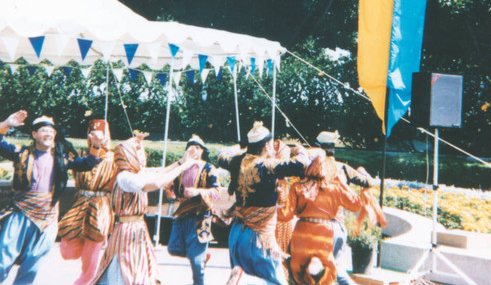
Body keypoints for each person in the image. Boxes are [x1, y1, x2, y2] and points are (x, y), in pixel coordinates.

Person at [0, 110, 103, 284]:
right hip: (21, 212)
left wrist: (96, 145)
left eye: (51, 131)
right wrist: (7, 123)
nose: (48, 133)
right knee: (3, 258)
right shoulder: (22, 153)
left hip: (48, 217)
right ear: (34, 134)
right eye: (42, 130)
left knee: (32, 264)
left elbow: (86, 164)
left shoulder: (62, 157)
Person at [218, 121, 323, 285]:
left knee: (246, 271)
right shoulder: (266, 165)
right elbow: (301, 164)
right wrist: (301, 150)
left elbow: (221, 154)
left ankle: (240, 277)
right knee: (277, 281)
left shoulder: (236, 162)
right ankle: (242, 278)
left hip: (237, 233)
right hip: (259, 238)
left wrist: (240, 146)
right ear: (267, 145)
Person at [93, 132, 199, 285]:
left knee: (138, 271)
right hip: (128, 231)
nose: (140, 155)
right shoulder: (125, 177)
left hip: (135, 228)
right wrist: (184, 166)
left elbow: (160, 172)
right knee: (127, 271)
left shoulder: (133, 173)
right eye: (136, 152)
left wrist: (182, 161)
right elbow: (156, 183)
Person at [277, 146, 363, 285]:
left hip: (302, 234)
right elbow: (356, 205)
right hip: (325, 234)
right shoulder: (334, 187)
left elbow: (286, 215)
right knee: (325, 275)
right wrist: (343, 184)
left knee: (295, 271)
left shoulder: (298, 187)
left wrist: (269, 210)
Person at [315, 130, 385, 285]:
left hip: (315, 227)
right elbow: (370, 182)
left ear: (318, 147)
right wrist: (364, 174)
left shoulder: (310, 169)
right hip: (337, 227)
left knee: (324, 270)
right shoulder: (343, 168)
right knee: (334, 268)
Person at [58, 119, 117, 285]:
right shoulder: (83, 156)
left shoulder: (114, 158)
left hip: (100, 206)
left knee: (92, 253)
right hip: (80, 204)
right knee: (67, 250)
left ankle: (86, 282)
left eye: (101, 135)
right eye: (93, 134)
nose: (98, 138)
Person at [167, 135, 220, 285]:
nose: (193, 150)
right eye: (190, 146)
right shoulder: (181, 168)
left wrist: (198, 192)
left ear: (202, 151)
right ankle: (203, 255)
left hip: (200, 216)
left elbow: (216, 192)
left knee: (196, 265)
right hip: (183, 213)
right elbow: (174, 191)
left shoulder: (209, 169)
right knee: (173, 248)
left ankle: (200, 262)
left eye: (197, 147)